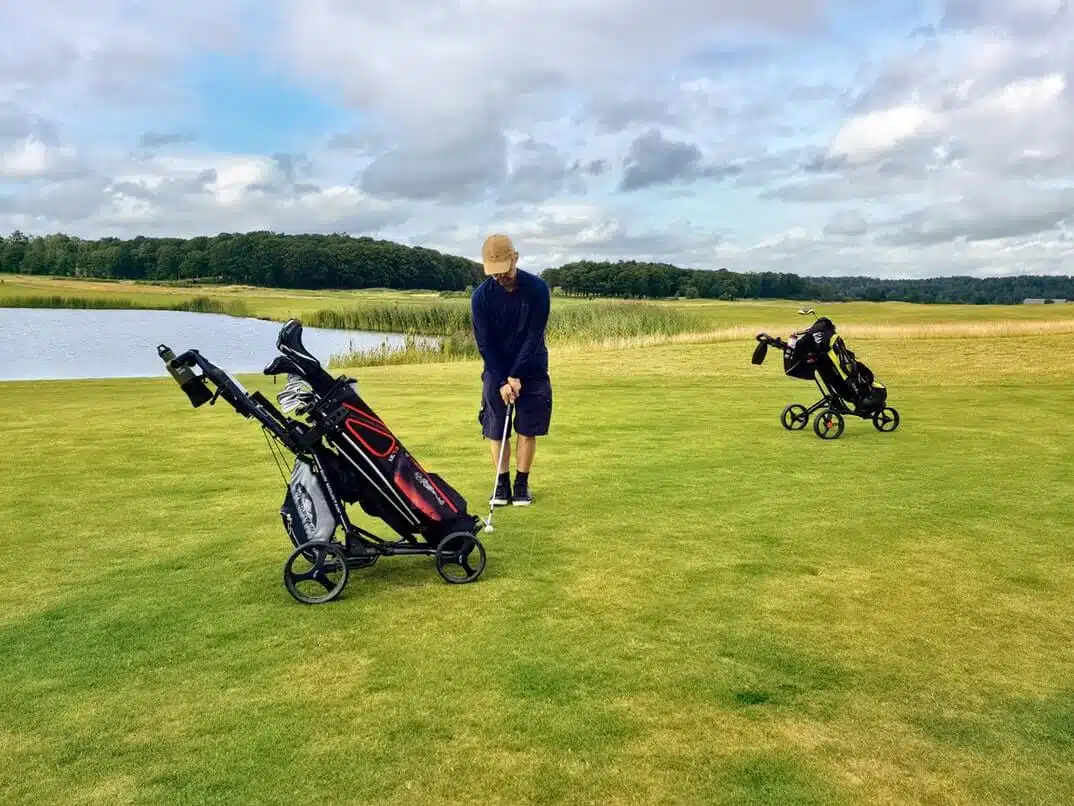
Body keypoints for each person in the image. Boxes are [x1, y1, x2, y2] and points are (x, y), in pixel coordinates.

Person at [471, 233, 552, 507]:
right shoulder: (480, 297)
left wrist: (516, 374)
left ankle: (521, 485)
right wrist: (503, 379)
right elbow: (485, 342)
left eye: (503, 271)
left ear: (514, 259)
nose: (499, 277)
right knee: (496, 428)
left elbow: (533, 335)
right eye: (493, 273)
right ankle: (501, 484)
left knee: (528, 427)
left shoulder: (538, 289)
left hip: (532, 366)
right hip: (497, 368)